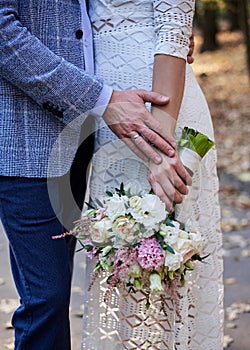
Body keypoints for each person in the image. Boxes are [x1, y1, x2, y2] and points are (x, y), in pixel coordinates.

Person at [0, 1, 193, 349]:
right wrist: (102, 99)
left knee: (68, 295)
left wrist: (165, 32)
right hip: (31, 136)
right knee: (46, 299)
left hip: (95, 130)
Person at [81, 0, 224, 349]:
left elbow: (173, 35)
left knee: (167, 273)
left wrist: (159, 151)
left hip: (159, 116)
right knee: (120, 277)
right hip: (109, 120)